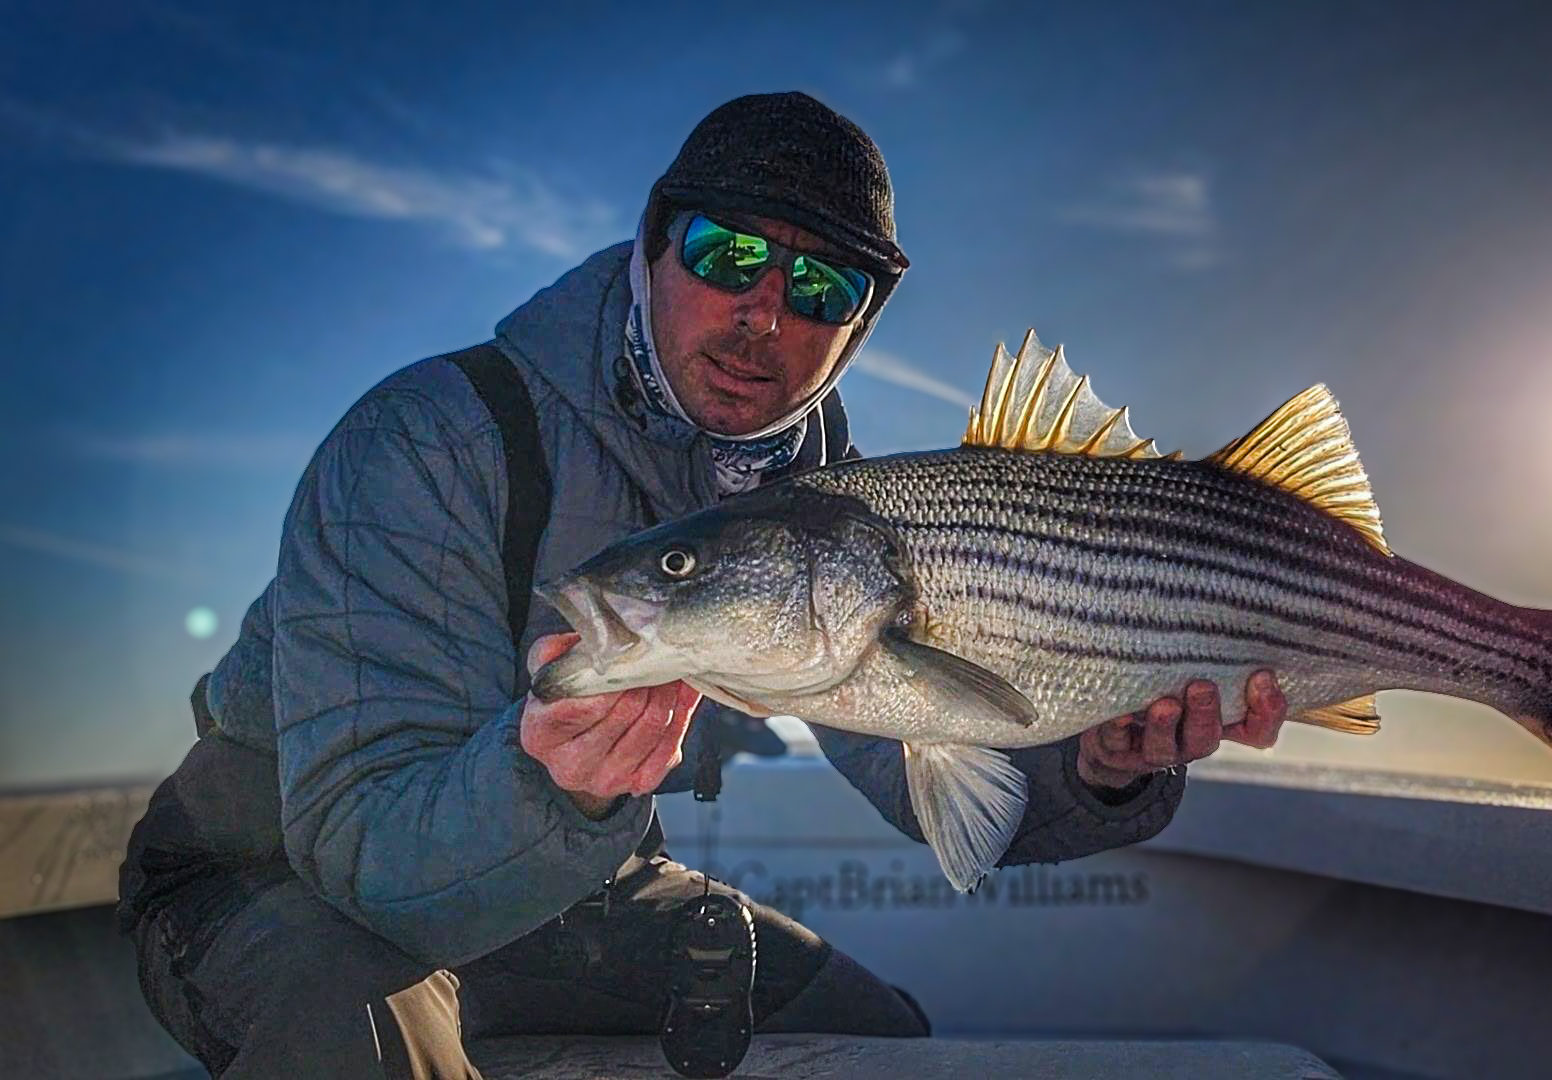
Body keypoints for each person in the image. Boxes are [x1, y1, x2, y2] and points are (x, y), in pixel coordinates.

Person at [116, 90, 1289, 1078]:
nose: (764, 314)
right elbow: (361, 855)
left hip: (579, 892)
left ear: (858, 329)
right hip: (278, 878)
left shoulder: (839, 504)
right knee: (370, 1046)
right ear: (653, 245)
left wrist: (1093, 768)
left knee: (883, 1039)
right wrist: (552, 790)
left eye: (821, 289)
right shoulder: (431, 440)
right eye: (730, 255)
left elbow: (912, 745)